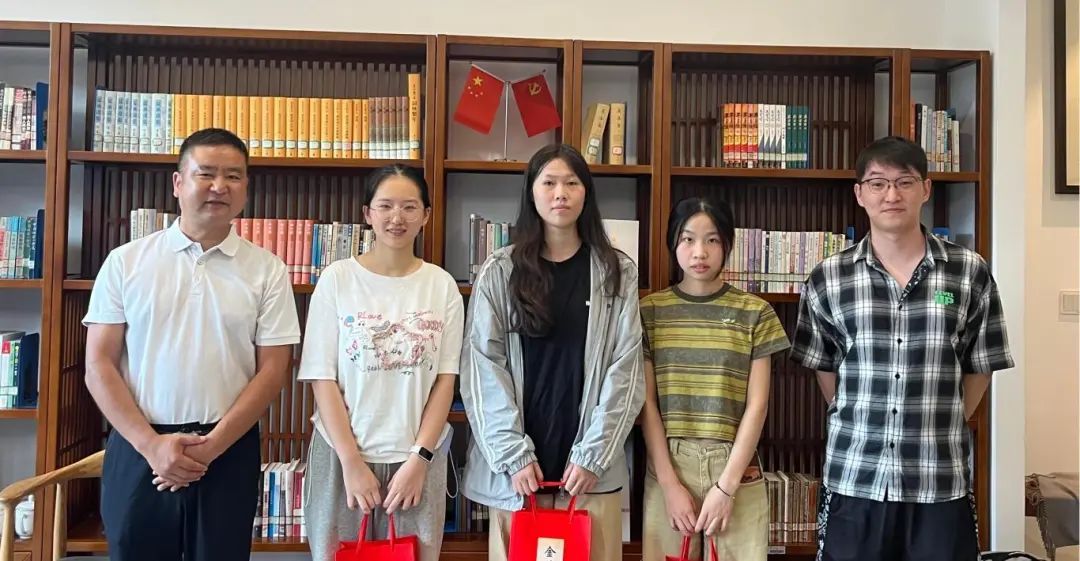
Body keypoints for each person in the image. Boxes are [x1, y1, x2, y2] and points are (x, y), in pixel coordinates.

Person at [789, 135, 1015, 561]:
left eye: (904, 182)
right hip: (855, 476)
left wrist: (941, 419)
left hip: (938, 478)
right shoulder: (829, 277)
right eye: (877, 183)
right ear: (860, 193)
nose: (891, 195)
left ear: (925, 189)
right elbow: (825, 367)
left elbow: (980, 365)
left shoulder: (968, 271)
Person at [83, 128, 301, 561]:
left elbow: (274, 369)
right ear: (178, 183)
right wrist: (152, 446)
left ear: (246, 188)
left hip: (226, 448)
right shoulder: (126, 261)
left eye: (233, 176)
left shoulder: (267, 270)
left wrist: (210, 449)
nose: (220, 186)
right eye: (206, 174)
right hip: (139, 446)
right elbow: (99, 364)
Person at [459, 143, 645, 561]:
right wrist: (513, 456)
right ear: (532, 192)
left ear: (586, 192)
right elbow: (482, 368)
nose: (560, 193)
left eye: (571, 183)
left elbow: (627, 370)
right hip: (518, 478)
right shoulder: (500, 271)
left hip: (590, 477)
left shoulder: (617, 271)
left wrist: (594, 455)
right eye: (549, 183)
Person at [297, 164, 463, 561]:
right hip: (341, 457)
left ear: (425, 215)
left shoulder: (441, 285)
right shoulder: (337, 279)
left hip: (417, 462)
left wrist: (420, 459)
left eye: (409, 207)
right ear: (367, 213)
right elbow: (321, 377)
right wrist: (351, 462)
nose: (396, 217)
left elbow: (445, 381)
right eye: (385, 206)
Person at [640, 197, 791, 561]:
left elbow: (758, 405)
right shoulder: (649, 312)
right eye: (688, 239)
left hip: (736, 466)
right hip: (669, 464)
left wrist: (726, 488)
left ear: (727, 245)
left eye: (712, 240)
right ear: (673, 243)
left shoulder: (756, 313)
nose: (700, 252)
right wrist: (669, 484)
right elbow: (646, 404)